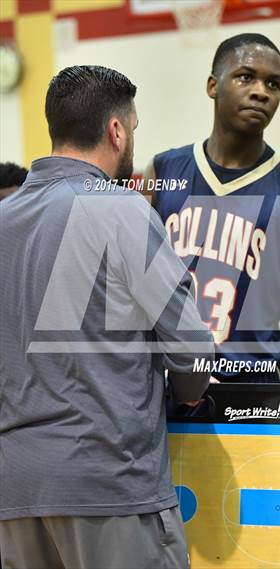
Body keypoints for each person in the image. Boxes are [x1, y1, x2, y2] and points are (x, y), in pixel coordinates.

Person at [0, 65, 214, 569]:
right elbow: (190, 349)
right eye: (133, 129)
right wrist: (189, 392)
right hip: (110, 489)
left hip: (14, 494)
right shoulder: (122, 209)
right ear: (116, 131)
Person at [144, 33, 280, 392]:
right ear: (213, 85)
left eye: (273, 83)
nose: (261, 91)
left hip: (255, 392)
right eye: (246, 77)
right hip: (167, 388)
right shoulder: (163, 172)